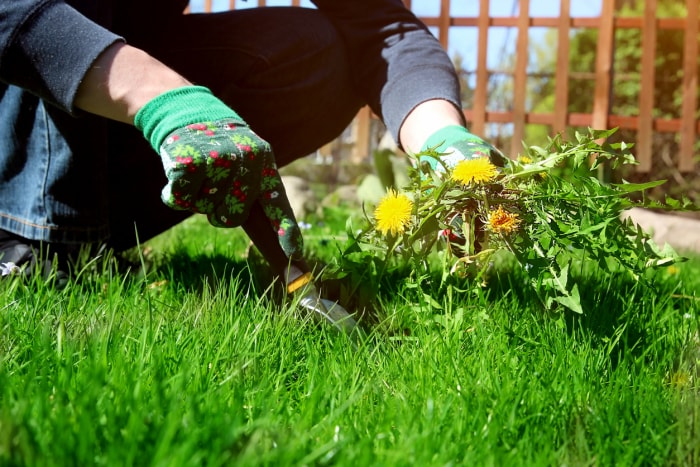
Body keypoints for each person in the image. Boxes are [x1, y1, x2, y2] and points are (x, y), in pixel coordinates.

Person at [0, 0, 501, 282]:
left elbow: (382, 29)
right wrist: (167, 101)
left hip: (102, 127)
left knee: (316, 54)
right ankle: (37, 240)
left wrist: (446, 147)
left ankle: (90, 236)